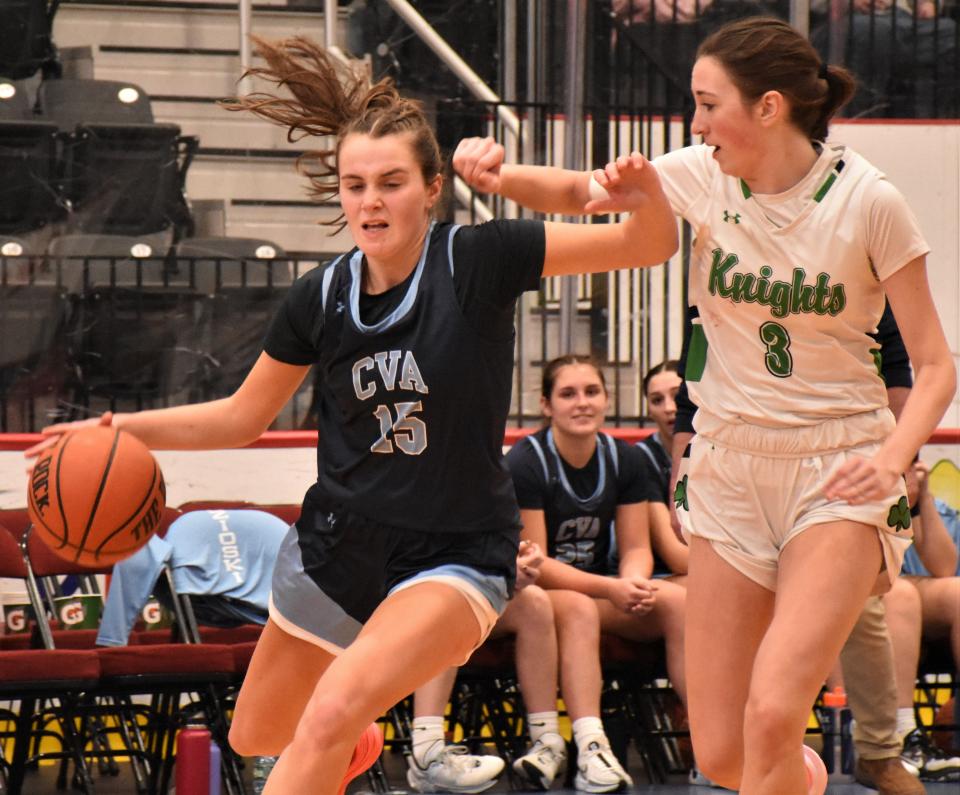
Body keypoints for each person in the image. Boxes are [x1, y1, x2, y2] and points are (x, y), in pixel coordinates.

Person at [25, 35, 678, 795]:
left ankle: (344, 728)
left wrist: (643, 191)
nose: (370, 201)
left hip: (455, 551)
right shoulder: (319, 296)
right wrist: (118, 428)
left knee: (330, 709)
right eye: (354, 184)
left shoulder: (479, 259)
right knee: (259, 732)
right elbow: (241, 417)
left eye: (392, 182)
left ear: (432, 188)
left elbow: (649, 242)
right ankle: (353, 740)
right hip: (337, 547)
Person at [452, 16, 956, 794]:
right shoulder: (700, 171)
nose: (694, 122)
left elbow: (933, 364)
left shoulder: (869, 202)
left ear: (768, 107)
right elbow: (586, 193)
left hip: (836, 468)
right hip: (728, 469)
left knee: (770, 717)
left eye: (707, 103)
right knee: (723, 752)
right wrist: (499, 175)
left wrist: (891, 459)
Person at [504, 354, 688, 791]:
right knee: (579, 609)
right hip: (544, 596)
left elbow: (637, 547)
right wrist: (613, 586)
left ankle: (710, 736)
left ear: (607, 399)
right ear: (546, 405)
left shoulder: (625, 460)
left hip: (601, 588)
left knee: (680, 601)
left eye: (592, 392)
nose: (581, 403)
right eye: (568, 394)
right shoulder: (527, 462)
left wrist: (635, 582)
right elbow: (539, 564)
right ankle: (590, 747)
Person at [406, 540, 570, 793]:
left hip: (468, 581)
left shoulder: (484, 501)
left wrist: (519, 562)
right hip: (404, 584)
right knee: (452, 593)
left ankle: (546, 744)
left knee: (534, 603)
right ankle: (426, 754)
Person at [882, 459, 960, 782]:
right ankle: (901, 737)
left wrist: (921, 501)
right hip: (869, 594)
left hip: (923, 605)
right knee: (899, 594)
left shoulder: (938, 511)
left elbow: (944, 568)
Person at [637, 360, 689, 579]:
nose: (669, 408)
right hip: (659, 574)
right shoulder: (642, 458)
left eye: (677, 396)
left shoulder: (720, 450)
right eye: (657, 400)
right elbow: (674, 555)